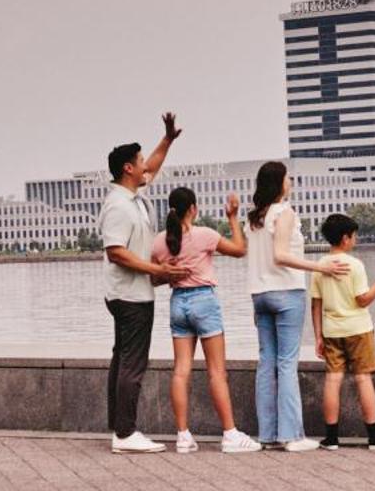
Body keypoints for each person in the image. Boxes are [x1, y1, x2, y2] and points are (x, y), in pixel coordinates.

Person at [98, 113, 191, 454]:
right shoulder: (119, 206)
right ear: (127, 169)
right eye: (138, 162)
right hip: (129, 296)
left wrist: (167, 139)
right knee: (132, 363)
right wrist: (159, 273)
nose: (144, 167)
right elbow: (116, 253)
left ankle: (120, 428)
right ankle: (125, 433)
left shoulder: (132, 197)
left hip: (132, 292)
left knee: (122, 359)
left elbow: (152, 167)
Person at [243, 160, 350, 452]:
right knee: (287, 363)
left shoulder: (254, 218)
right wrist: (320, 268)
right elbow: (280, 255)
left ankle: (267, 435)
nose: (291, 181)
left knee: (266, 363)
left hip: (259, 294)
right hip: (286, 291)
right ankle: (291, 435)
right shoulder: (283, 212)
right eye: (288, 177)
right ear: (279, 183)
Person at [152, 186, 260, 454]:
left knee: (180, 371)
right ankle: (230, 434)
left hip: (178, 302)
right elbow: (238, 249)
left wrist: (171, 275)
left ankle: (183, 436)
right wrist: (232, 217)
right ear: (193, 209)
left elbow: (153, 278)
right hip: (204, 301)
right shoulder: (204, 235)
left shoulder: (158, 241)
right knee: (216, 372)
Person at [309, 213, 375, 449]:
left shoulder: (319, 266)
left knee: (332, 380)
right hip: (358, 330)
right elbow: (363, 300)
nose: (356, 239)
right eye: (354, 235)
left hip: (331, 331)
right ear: (345, 238)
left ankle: (331, 438)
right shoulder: (355, 265)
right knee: (363, 379)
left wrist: (318, 335)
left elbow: (315, 304)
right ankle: (374, 436)